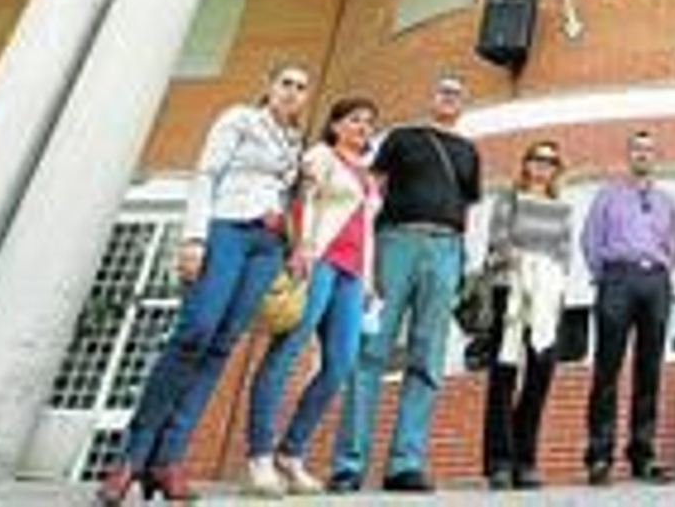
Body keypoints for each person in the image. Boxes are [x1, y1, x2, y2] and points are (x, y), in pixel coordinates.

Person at [98, 64, 310, 505]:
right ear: (268, 87)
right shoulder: (239, 119)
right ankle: (130, 459)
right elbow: (205, 176)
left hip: (267, 246)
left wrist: (291, 245)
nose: (292, 92)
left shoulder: (294, 142)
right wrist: (194, 239)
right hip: (226, 229)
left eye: (301, 87)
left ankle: (168, 460)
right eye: (285, 83)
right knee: (195, 332)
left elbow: (287, 195)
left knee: (221, 346)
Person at [331, 76, 481, 493]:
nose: (449, 97)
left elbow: (465, 205)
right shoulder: (402, 137)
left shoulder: (468, 151)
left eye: (457, 93)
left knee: (428, 357)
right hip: (396, 241)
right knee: (372, 350)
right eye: (443, 90)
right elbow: (372, 189)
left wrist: (459, 257)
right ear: (431, 98)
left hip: (446, 248)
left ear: (463, 104)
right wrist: (365, 250)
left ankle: (405, 463)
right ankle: (349, 464)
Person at [245, 97, 381, 496]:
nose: (363, 126)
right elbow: (302, 201)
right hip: (317, 261)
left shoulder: (368, 175)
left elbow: (366, 230)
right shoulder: (321, 156)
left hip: (352, 275)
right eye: (355, 119)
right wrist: (301, 247)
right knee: (286, 353)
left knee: (340, 364)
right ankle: (260, 455)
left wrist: (369, 279)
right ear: (335, 125)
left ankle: (291, 453)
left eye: (369, 122)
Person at [581, 130, 675, 486]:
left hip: (655, 281)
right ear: (629, 155)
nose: (642, 154)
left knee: (649, 370)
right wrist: (605, 276)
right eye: (637, 149)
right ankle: (599, 456)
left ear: (655, 157)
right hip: (617, 280)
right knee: (607, 369)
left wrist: (661, 270)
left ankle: (643, 455)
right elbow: (590, 240)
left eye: (648, 150)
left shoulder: (667, 200)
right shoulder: (607, 196)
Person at [482, 140, 573, 491]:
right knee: (504, 374)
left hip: (547, 297)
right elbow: (498, 241)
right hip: (512, 290)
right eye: (537, 159)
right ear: (526, 164)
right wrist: (519, 260)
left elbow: (564, 254)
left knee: (540, 374)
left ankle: (525, 459)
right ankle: (498, 462)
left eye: (550, 161)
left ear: (556, 170)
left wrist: (554, 282)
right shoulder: (509, 199)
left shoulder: (562, 208)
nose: (543, 166)